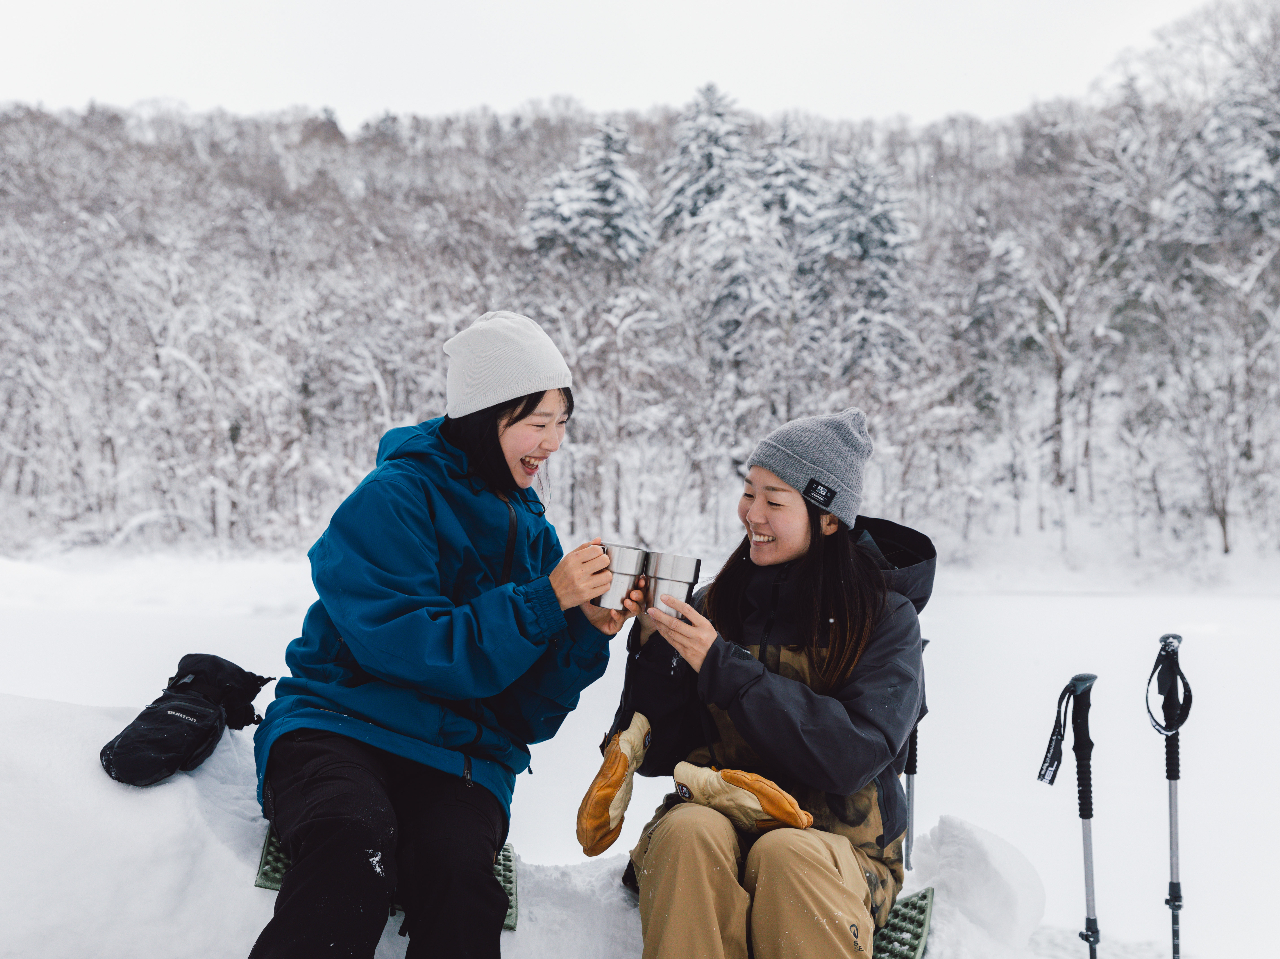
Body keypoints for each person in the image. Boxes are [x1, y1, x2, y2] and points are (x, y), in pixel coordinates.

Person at [248, 311, 643, 959]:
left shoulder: (536, 536)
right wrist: (544, 601)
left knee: (461, 880)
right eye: (537, 422)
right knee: (352, 846)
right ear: (485, 418)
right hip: (342, 726)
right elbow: (409, 646)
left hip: (459, 759)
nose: (552, 443)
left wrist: (582, 632)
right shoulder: (395, 497)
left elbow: (523, 713)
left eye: (562, 424)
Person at [599, 408, 935, 959]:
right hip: (716, 825)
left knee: (785, 854)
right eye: (749, 491)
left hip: (840, 850)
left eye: (774, 501)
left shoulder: (885, 619)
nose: (751, 513)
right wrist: (658, 650)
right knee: (687, 835)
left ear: (828, 519)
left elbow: (853, 754)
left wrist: (725, 668)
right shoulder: (714, 604)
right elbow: (657, 753)